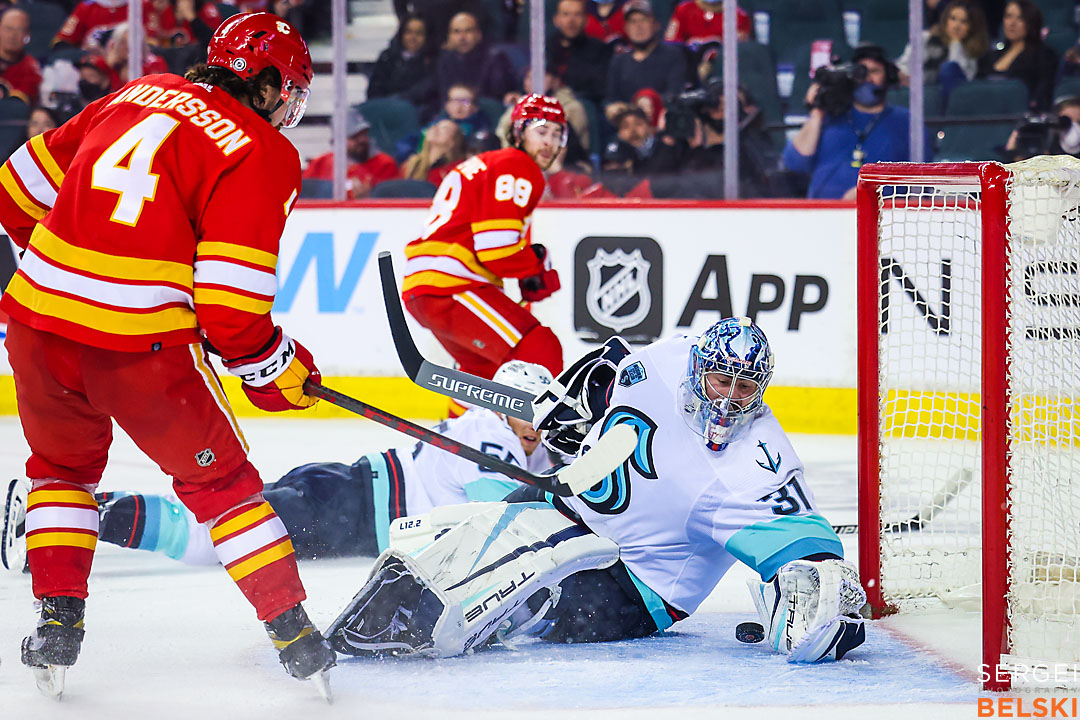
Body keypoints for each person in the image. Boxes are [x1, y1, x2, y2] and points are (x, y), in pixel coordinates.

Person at [0, 12, 335, 691]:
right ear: (267, 83)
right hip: (138, 347)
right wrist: (276, 368)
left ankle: (57, 622)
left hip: (36, 325)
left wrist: (68, 274)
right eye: (289, 89)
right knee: (222, 485)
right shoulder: (263, 151)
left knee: (60, 471)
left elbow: (13, 192)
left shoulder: (136, 90)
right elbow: (233, 314)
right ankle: (295, 633)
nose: (288, 106)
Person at [327, 317, 867, 662]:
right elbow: (606, 373)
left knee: (519, 589)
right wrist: (575, 410)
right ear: (698, 367)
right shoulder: (666, 360)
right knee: (466, 539)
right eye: (721, 381)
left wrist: (822, 598)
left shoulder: (757, 463)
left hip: (633, 587)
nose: (729, 399)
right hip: (570, 505)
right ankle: (377, 617)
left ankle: (418, 628)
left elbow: (810, 554)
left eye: (745, 387)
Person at [3, 361, 556, 571]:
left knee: (220, 528)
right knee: (212, 541)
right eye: (529, 411)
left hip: (345, 494)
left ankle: (64, 527)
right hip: (348, 505)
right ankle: (57, 520)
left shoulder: (518, 442)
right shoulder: (488, 435)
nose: (540, 423)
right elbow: (504, 516)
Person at [401, 93, 567, 417]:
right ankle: (545, 447)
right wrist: (537, 265)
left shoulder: (488, 163)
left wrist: (527, 268)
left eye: (557, 134)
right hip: (452, 285)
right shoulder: (518, 165)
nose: (550, 142)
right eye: (542, 131)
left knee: (483, 372)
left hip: (427, 288)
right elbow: (497, 251)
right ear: (518, 132)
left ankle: (454, 447)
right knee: (539, 347)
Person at [783, 44, 930, 200]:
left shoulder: (906, 121)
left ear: (888, 77)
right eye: (861, 72)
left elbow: (921, 181)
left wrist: (867, 194)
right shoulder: (829, 116)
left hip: (882, 216)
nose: (867, 78)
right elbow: (795, 163)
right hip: (823, 214)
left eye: (874, 71)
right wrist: (817, 111)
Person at [604, 0, 688, 113]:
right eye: (633, 21)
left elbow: (674, 94)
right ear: (626, 28)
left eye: (644, 20)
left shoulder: (672, 56)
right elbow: (611, 99)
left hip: (664, 120)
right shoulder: (619, 61)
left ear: (656, 25)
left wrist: (650, 102)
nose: (638, 26)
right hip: (628, 123)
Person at [302, 108, 400, 199]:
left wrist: (369, 197)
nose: (362, 140)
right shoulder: (320, 163)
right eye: (354, 137)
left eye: (364, 134)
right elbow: (302, 193)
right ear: (336, 141)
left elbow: (392, 203)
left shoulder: (385, 164)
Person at [978, 0, 1057, 112]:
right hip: (986, 112)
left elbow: (1042, 95)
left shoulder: (1044, 55)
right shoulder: (991, 56)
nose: (1012, 23)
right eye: (1008, 16)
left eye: (1020, 18)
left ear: (1031, 22)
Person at [896, 0, 989, 88]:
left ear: (972, 27)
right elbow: (903, 65)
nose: (956, 26)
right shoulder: (926, 38)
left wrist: (955, 45)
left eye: (964, 22)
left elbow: (960, 81)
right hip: (920, 91)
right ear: (945, 20)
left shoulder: (973, 53)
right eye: (953, 18)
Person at [434, 11, 516, 108]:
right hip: (451, 113)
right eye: (456, 32)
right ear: (449, 37)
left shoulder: (494, 58)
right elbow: (441, 96)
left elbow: (495, 98)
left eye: (468, 31)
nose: (462, 37)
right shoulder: (445, 59)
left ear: (478, 34)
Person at [366, 13, 437, 114]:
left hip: (417, 115)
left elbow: (425, 93)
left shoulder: (433, 62)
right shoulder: (387, 56)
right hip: (384, 112)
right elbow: (374, 90)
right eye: (408, 32)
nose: (413, 37)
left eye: (419, 33)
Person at [547, 0, 612, 107]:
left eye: (577, 14)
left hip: (581, 104)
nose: (571, 21)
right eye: (565, 14)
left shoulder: (599, 49)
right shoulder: (546, 47)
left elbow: (599, 89)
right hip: (547, 101)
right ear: (556, 20)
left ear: (585, 20)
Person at [401, 118, 467, 186]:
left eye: (445, 129)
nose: (436, 129)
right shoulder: (411, 164)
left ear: (454, 141)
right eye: (436, 125)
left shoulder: (457, 169)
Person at [0, 7, 42, 105]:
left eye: (19, 30)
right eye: (8, 29)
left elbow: (20, 107)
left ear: (27, 35)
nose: (12, 36)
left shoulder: (31, 68)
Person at [664, 0, 751, 45]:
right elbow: (671, 43)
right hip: (687, 65)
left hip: (721, 67)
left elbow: (740, 50)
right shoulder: (683, 9)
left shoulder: (738, 16)